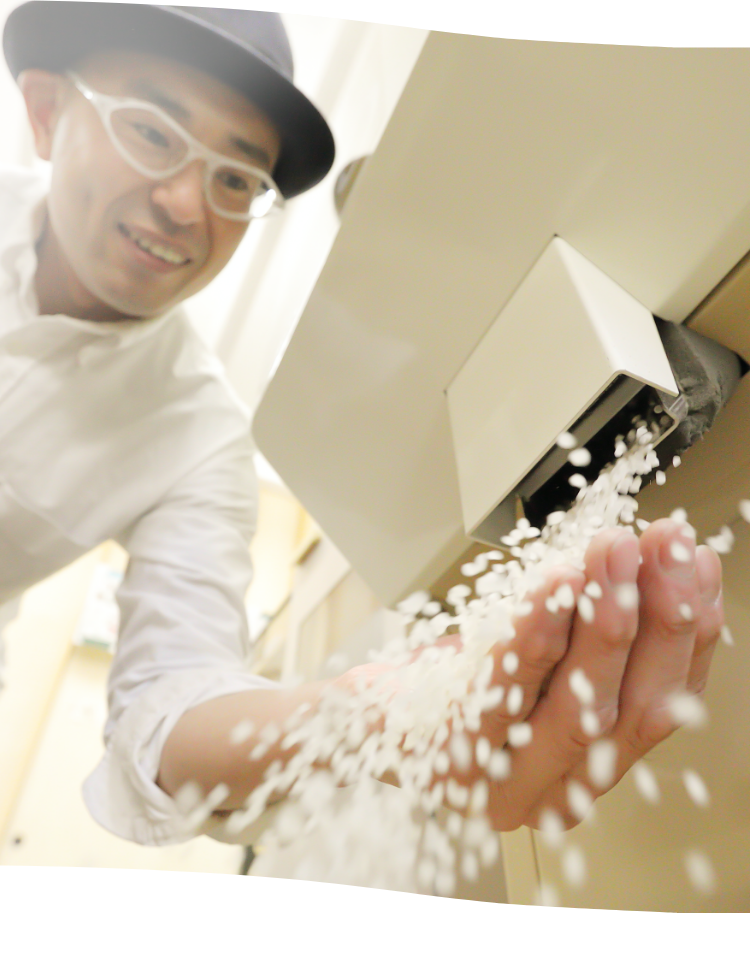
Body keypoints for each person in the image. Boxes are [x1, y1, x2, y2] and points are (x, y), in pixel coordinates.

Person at [0, 0, 724, 851]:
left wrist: (363, 717)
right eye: (152, 132)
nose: (186, 204)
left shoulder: (201, 435)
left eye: (235, 180)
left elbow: (171, 699)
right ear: (45, 111)